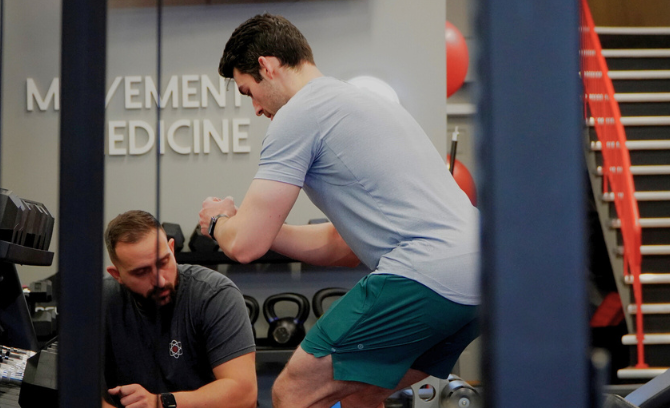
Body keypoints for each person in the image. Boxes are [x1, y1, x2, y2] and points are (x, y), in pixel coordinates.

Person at [198, 13, 481, 408]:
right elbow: (341, 246)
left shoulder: (300, 114)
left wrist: (218, 222)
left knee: (293, 391)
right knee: (359, 392)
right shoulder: (358, 103)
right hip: (480, 279)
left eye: (248, 92)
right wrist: (255, 223)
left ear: (266, 66)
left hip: (426, 273)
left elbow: (244, 246)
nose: (256, 109)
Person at [102, 210, 257, 408]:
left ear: (172, 249)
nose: (159, 280)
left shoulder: (214, 294)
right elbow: (75, 379)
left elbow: (244, 394)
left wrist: (160, 403)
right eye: (141, 272)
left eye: (163, 262)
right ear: (117, 275)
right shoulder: (103, 302)